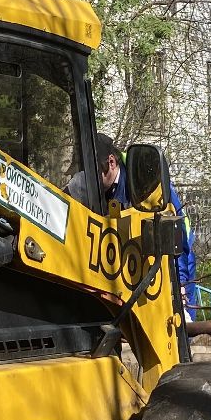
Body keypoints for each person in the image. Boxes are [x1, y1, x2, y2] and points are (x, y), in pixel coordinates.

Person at [71, 134, 201, 317]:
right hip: (129, 264)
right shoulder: (97, 187)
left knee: (178, 321)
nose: (88, 182)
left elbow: (173, 235)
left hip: (171, 256)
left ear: (111, 162)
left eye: (93, 174)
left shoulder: (148, 182)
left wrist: (178, 284)